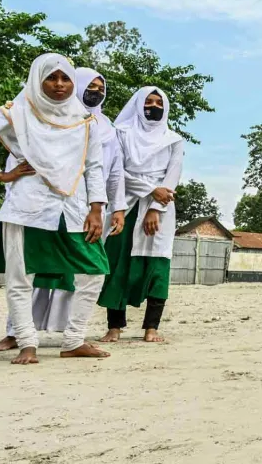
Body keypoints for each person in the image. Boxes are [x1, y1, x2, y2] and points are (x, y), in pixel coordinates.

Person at [0, 68, 127, 352]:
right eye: (51, 78)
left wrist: (97, 208)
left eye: (66, 79)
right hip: (26, 206)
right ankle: (27, 342)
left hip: (72, 208)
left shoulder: (83, 120)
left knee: (95, 270)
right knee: (20, 277)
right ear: (37, 80)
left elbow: (94, 168)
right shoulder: (16, 112)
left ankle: (74, 340)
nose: (59, 84)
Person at [97, 87, 183, 344]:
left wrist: (156, 207)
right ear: (137, 105)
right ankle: (114, 326)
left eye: (159, 102)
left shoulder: (174, 139)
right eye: (148, 102)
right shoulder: (120, 133)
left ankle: (151, 327)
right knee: (118, 264)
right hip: (124, 204)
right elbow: (116, 171)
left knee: (157, 266)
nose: (154, 106)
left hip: (161, 209)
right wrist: (150, 189)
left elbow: (173, 176)